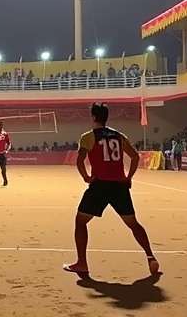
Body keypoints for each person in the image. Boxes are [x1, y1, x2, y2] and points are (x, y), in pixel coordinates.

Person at [63, 103, 160, 276]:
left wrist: (86, 177)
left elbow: (79, 161)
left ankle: (82, 263)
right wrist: (128, 177)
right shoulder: (118, 135)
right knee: (133, 223)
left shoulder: (88, 137)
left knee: (80, 221)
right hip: (119, 186)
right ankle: (150, 256)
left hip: (99, 185)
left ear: (93, 117)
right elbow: (135, 157)